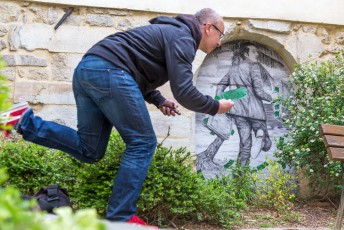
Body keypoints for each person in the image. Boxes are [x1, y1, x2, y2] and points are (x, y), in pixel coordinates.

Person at [0, 8, 234, 227]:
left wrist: (158, 100)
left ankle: (23, 120)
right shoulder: (183, 38)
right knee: (143, 142)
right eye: (220, 35)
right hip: (110, 71)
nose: (219, 42)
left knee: (89, 149)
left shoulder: (172, 33)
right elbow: (184, 91)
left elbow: (137, 70)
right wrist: (216, 106)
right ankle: (121, 218)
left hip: (89, 70)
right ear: (208, 27)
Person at [216, 41, 272, 166]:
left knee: (245, 144)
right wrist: (270, 98)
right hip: (255, 110)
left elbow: (220, 85)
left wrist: (219, 100)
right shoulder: (254, 66)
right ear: (246, 54)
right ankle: (261, 136)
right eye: (254, 51)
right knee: (267, 144)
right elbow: (258, 90)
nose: (257, 54)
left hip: (238, 111)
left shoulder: (233, 69)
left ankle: (240, 176)